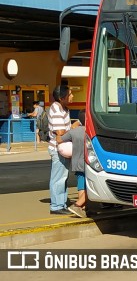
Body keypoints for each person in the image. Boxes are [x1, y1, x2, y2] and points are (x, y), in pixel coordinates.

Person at [48, 85, 79, 215]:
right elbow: (60, 132)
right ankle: (56, 206)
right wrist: (73, 127)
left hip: (63, 148)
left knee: (63, 177)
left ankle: (61, 203)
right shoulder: (56, 110)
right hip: (57, 148)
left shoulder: (64, 109)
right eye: (70, 94)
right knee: (58, 178)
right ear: (62, 98)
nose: (72, 96)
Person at [58, 110, 87, 218]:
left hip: (77, 163)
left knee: (81, 186)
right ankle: (78, 205)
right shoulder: (91, 131)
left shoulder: (74, 132)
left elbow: (60, 139)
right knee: (91, 187)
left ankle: (82, 209)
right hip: (89, 163)